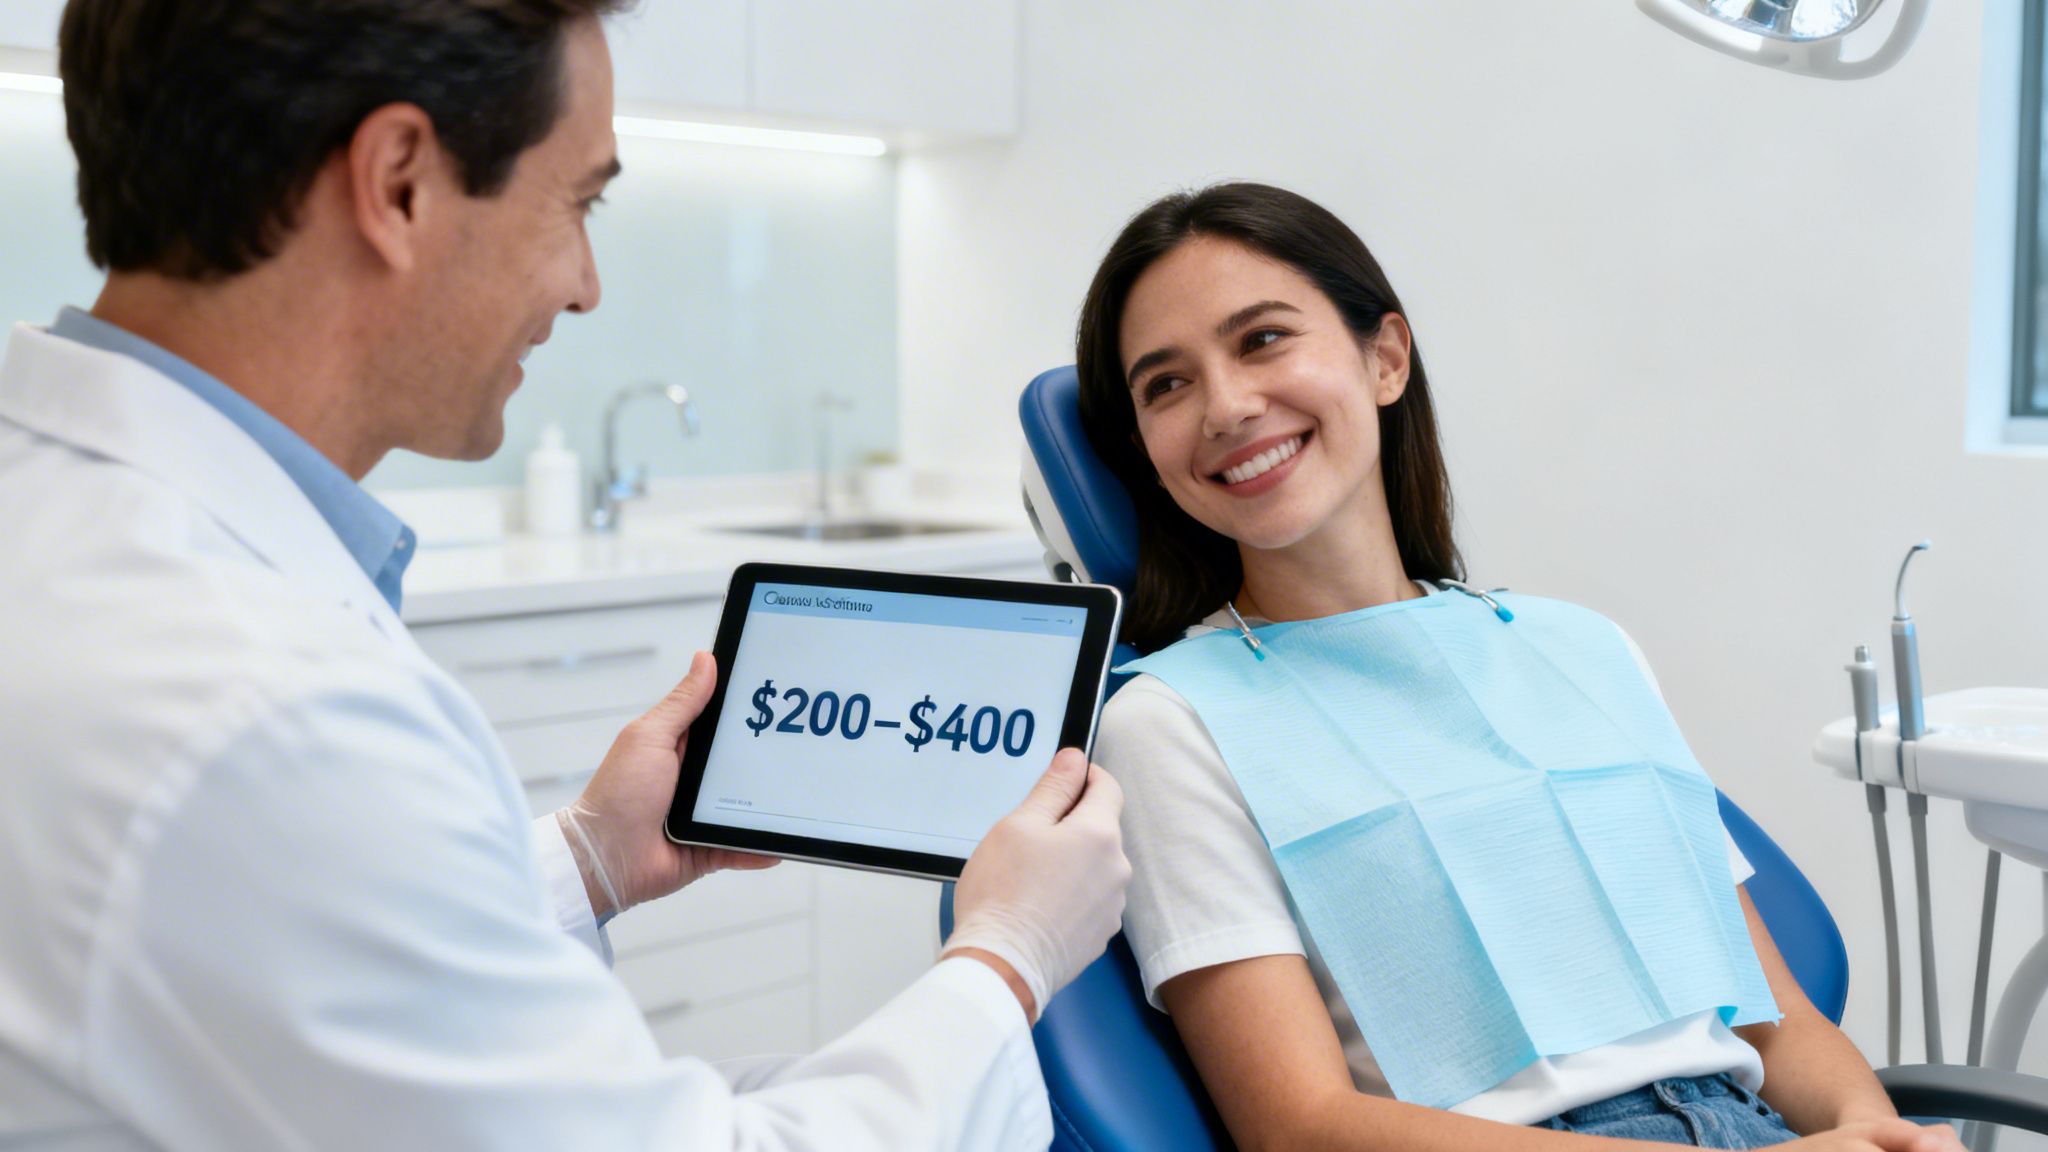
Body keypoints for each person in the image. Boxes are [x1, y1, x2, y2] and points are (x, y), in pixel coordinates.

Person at [0, 2, 1128, 1148]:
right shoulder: (264, 707)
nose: (586, 286)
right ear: (398, 183)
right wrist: (1006, 956)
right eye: (578, 204)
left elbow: (271, 952)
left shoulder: (66, 528)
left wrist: (585, 856)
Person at [1073, 182, 1958, 1152]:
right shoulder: (1168, 724)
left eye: (1262, 340)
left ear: (1383, 358)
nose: (1226, 406)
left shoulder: (1580, 648)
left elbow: (1772, 1019)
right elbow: (1300, 1129)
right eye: (1165, 385)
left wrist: (1876, 1136)